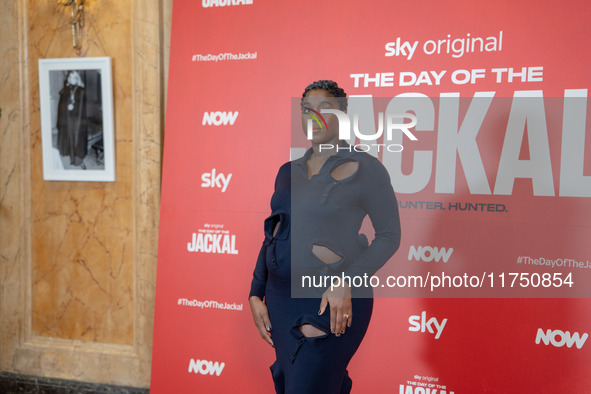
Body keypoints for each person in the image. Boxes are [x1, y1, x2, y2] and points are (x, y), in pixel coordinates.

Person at [249, 80, 401, 393]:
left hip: (328, 299)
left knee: (308, 384)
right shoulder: (287, 171)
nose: (314, 118)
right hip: (280, 299)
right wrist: (255, 292)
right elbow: (274, 233)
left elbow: (389, 236)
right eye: (307, 110)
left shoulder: (367, 168)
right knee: (294, 384)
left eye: (325, 109)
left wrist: (348, 282)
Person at [57, 70, 88, 169]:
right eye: (70, 77)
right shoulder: (65, 89)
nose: (71, 79)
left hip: (78, 120)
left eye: (74, 77)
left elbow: (82, 109)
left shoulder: (81, 90)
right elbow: (61, 106)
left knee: (77, 139)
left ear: (77, 79)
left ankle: (79, 161)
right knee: (69, 137)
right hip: (67, 118)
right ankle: (71, 157)